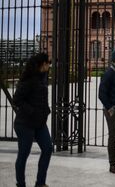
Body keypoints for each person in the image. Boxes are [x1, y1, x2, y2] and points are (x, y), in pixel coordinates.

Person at [13, 53, 53, 187]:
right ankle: (21, 184)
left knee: (48, 149)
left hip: (40, 123)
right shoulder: (29, 80)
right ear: (43, 64)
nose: (50, 65)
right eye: (49, 62)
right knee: (24, 154)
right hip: (25, 124)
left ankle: (40, 183)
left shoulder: (43, 77)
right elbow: (17, 99)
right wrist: (32, 111)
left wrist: (45, 110)